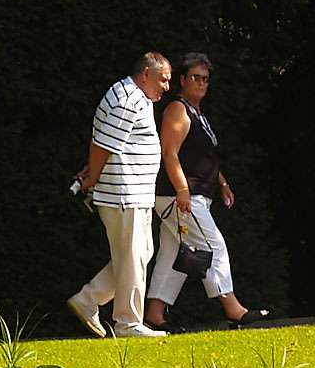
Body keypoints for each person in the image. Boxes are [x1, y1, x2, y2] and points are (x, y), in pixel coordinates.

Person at [146, 53, 268, 330]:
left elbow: (204, 157)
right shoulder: (178, 109)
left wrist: (222, 183)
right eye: (195, 78)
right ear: (182, 80)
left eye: (205, 79)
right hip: (180, 196)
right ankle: (234, 309)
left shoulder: (197, 113)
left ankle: (154, 315)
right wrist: (182, 189)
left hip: (189, 194)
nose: (201, 83)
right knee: (213, 246)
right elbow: (169, 152)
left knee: (173, 253)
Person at [67, 52, 171, 339]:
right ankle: (128, 323)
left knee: (139, 254)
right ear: (146, 74)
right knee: (133, 257)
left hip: (132, 193)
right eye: (163, 80)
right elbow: (103, 145)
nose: (166, 87)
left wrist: (93, 171)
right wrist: (93, 178)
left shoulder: (135, 96)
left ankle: (89, 299)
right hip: (124, 193)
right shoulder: (128, 99)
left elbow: (106, 143)